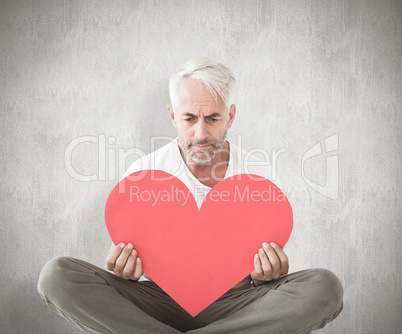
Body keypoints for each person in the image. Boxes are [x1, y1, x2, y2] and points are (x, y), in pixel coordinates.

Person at [37, 57, 343, 333]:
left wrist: (268, 276)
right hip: (158, 301)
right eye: (189, 119)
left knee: (324, 286)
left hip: (236, 303)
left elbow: (264, 264)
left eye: (212, 118)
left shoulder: (259, 176)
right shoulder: (144, 173)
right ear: (172, 116)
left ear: (230, 116)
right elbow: (129, 258)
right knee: (56, 275)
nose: (200, 133)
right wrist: (124, 270)